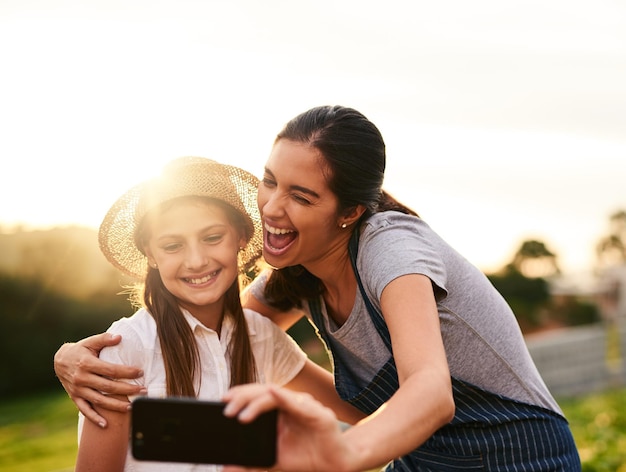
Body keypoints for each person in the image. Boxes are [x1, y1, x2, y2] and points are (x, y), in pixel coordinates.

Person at [56, 106, 581, 471]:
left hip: (516, 452)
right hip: (421, 457)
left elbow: (430, 391)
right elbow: (216, 323)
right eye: (270, 181)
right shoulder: (295, 265)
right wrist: (74, 357)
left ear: (350, 211)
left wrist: (342, 455)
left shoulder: (390, 249)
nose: (272, 208)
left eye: (302, 196)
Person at [73, 156, 363, 472]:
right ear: (150, 253)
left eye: (212, 238)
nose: (196, 260)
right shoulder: (125, 347)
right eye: (172, 246)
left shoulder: (261, 336)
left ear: (240, 237)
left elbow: (363, 415)